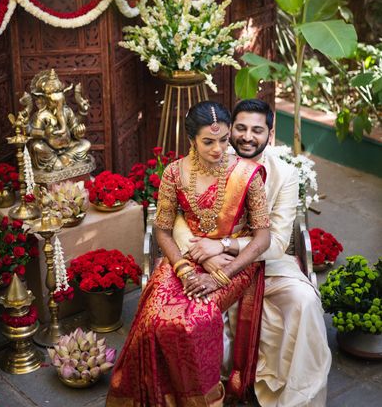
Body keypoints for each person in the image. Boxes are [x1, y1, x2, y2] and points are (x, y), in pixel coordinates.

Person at [106, 101, 271, 406]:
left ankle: (204, 401)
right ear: (191, 139)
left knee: (196, 320)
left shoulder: (248, 174)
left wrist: (220, 276)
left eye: (224, 140)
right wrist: (183, 269)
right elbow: (163, 230)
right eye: (209, 141)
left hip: (234, 263)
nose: (219, 149)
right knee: (155, 319)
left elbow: (262, 239)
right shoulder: (174, 173)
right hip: (186, 258)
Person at [179, 99, 331, 406]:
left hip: (269, 264)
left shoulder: (284, 174)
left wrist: (225, 245)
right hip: (210, 263)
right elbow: (181, 217)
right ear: (230, 129)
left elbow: (276, 242)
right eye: (241, 128)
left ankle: (295, 399)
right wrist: (205, 255)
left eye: (257, 130)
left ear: (270, 135)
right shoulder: (211, 155)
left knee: (304, 301)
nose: (248, 136)